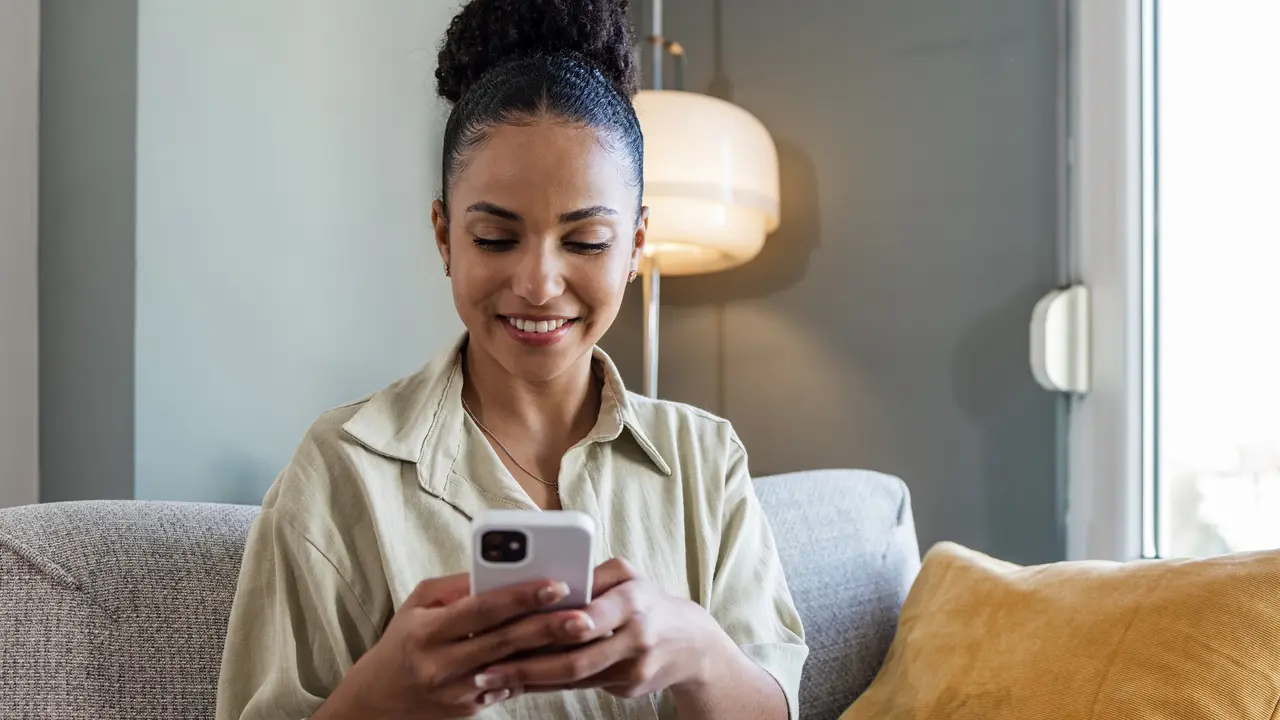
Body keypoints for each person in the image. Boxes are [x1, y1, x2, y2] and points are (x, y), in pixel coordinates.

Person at [214, 0, 807, 718]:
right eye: (496, 238)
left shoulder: (705, 460)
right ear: (444, 237)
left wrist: (697, 649)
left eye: (586, 241)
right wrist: (386, 691)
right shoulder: (343, 471)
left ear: (636, 246)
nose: (538, 283)